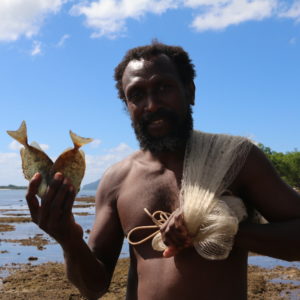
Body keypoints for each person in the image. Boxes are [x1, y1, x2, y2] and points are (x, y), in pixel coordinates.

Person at [26, 42, 300, 300]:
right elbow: (94, 287)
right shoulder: (117, 180)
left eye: (164, 88)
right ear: (127, 107)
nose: (152, 104)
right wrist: (69, 239)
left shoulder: (236, 159)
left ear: (190, 91)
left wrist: (220, 229)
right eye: (136, 95)